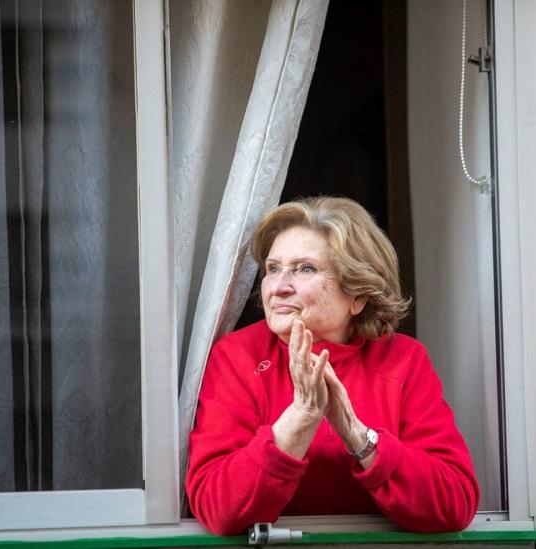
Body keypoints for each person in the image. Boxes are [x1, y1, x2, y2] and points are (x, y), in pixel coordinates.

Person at [186, 196, 479, 536]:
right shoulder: (238, 356)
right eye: (273, 269)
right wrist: (300, 418)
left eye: (305, 268)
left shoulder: (403, 361)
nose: (278, 287)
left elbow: (455, 503)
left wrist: (359, 438)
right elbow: (217, 507)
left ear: (358, 296)